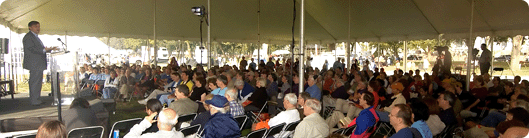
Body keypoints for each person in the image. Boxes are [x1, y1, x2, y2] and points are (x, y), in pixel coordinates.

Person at [23, 21, 57, 105]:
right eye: (36, 27)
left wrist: (49, 49)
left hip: (38, 63)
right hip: (34, 63)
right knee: (35, 82)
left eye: (38, 26)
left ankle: (36, 99)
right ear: (30, 27)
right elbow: (31, 49)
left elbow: (39, 49)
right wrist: (44, 50)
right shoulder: (28, 37)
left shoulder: (35, 37)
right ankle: (34, 100)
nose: (38, 28)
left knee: (37, 82)